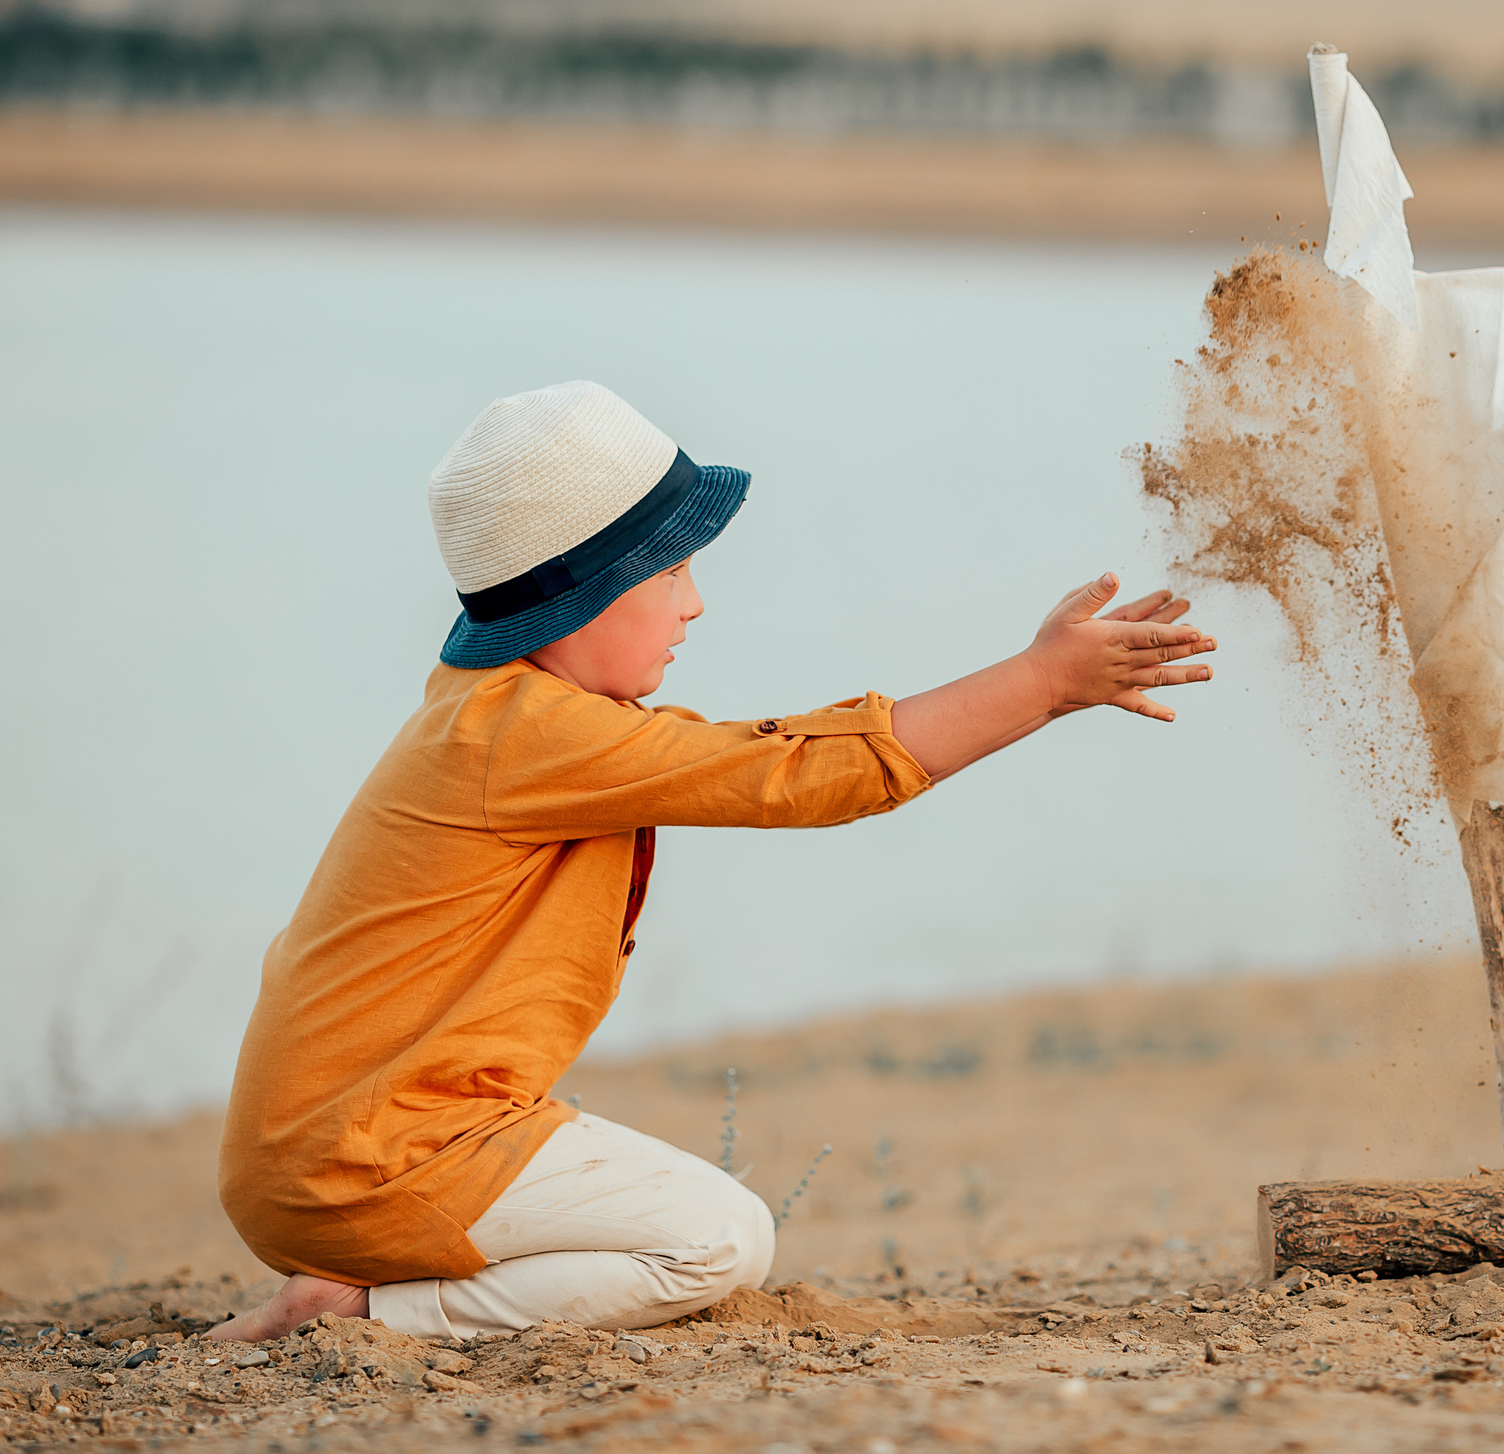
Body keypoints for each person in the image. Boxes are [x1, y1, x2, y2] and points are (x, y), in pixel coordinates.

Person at [207, 381, 1216, 1341]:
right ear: (584, 595)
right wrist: (1039, 683)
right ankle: (369, 1314)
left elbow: (776, 755)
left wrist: (1037, 682)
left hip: (333, 1148)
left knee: (685, 1220)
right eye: (672, 573)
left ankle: (375, 1264)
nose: (695, 605)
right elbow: (800, 775)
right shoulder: (529, 738)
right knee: (718, 1239)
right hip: (365, 1159)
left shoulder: (499, 715)